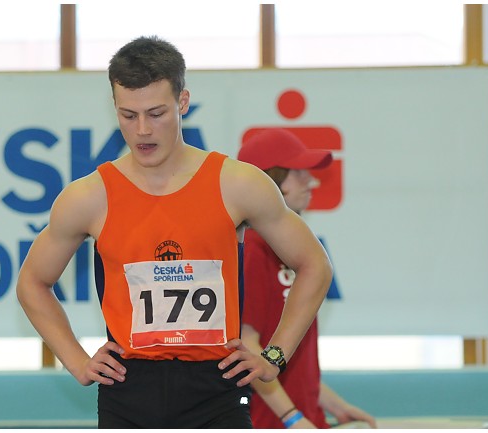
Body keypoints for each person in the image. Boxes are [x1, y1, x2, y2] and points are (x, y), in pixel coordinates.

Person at [16, 36, 332, 429]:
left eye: (156, 113)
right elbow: (32, 282)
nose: (142, 130)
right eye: (128, 115)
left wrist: (275, 356)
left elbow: (314, 265)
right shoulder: (89, 197)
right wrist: (76, 361)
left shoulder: (237, 184)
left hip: (217, 387)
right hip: (128, 388)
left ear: (183, 102)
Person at [237, 128, 377, 429]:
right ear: (269, 180)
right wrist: (292, 418)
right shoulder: (253, 248)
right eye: (298, 172)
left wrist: (336, 406)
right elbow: (246, 346)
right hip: (269, 423)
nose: (310, 181)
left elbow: (293, 363)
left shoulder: (288, 250)